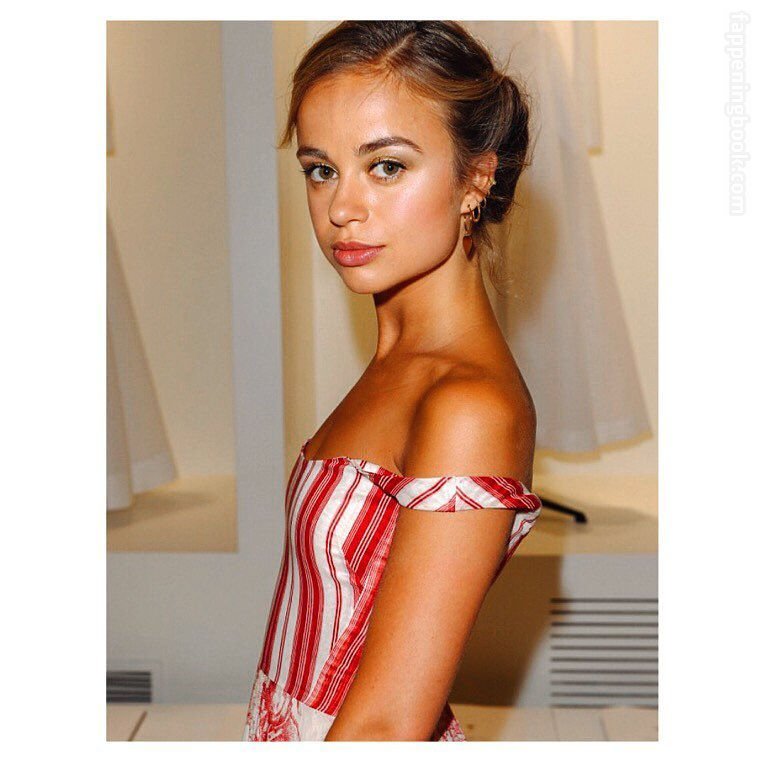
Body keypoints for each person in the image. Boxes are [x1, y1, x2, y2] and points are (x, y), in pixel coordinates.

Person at [243, 20, 543, 742]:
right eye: (321, 169)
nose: (341, 208)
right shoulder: (398, 365)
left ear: (476, 178)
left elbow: (387, 726)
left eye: (385, 166)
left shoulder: (468, 407)